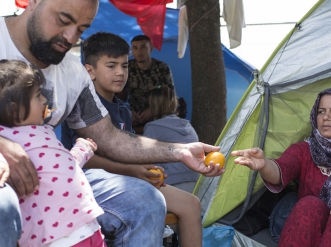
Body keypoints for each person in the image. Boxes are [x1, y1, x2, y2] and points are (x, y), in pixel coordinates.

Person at [0, 0, 223, 246]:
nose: (70, 36)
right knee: (4, 206)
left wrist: (180, 150)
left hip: (56, 181)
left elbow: (108, 136)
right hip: (6, 183)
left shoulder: (73, 72)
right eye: (64, 20)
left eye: (82, 29)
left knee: (146, 199)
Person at [62, 31, 202, 247]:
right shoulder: (82, 106)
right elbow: (84, 159)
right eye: (111, 66)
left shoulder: (124, 109)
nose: (120, 72)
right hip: (90, 185)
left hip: (130, 179)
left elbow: (131, 152)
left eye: (125, 66)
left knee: (191, 204)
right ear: (89, 71)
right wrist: (131, 170)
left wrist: (146, 167)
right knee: (146, 201)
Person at [232, 88, 331, 247]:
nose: (325, 117)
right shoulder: (306, 150)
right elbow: (281, 169)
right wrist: (264, 164)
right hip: (311, 230)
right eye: (321, 111)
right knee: (309, 205)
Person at [0, 59, 106, 247]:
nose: (44, 101)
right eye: (38, 95)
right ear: (14, 108)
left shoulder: (44, 131)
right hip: (56, 237)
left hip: (88, 226)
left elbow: (63, 168)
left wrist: (83, 149)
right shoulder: (6, 139)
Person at [144, 85, 199, 193]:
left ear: (152, 106)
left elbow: (144, 161)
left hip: (170, 183)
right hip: (196, 182)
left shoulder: (152, 128)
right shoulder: (188, 127)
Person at [123, 35, 175, 127]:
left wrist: (152, 110)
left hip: (159, 114)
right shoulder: (127, 68)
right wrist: (128, 112)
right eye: (135, 48)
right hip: (135, 116)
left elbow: (169, 94)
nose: (139, 52)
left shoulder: (162, 68)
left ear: (151, 48)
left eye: (143, 47)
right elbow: (118, 95)